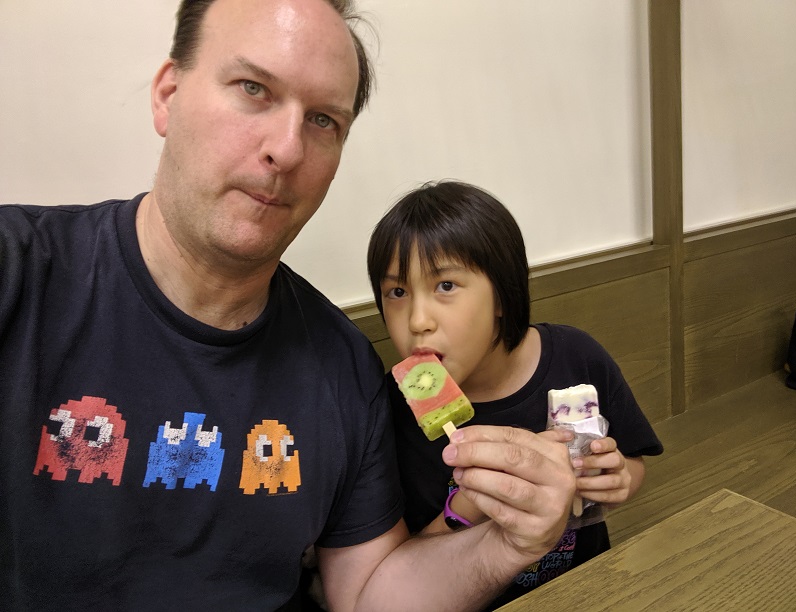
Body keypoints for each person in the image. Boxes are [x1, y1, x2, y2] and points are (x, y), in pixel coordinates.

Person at [0, 1, 578, 610]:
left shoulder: (345, 368)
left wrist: (507, 544)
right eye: (253, 89)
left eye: (324, 120)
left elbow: (366, 596)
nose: (287, 149)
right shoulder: (20, 273)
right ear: (168, 95)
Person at [367, 180, 664, 610]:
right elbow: (397, 569)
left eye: (445, 285)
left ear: (503, 294)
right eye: (397, 292)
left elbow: (633, 464)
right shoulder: (389, 411)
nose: (417, 320)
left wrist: (617, 480)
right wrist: (465, 509)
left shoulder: (577, 356)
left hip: (585, 589)